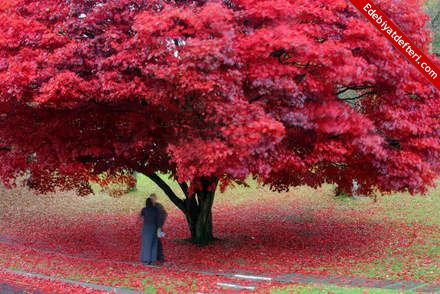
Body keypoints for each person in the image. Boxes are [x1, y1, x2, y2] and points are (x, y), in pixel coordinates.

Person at [140, 197, 159, 264]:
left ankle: (146, 259)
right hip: (154, 227)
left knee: (146, 244)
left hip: (147, 227)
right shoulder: (156, 210)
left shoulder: (144, 210)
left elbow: (140, 217)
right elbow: (158, 219)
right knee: (154, 243)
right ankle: (153, 260)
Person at [150, 193, 167, 263]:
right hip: (152, 227)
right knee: (152, 242)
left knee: (158, 243)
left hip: (157, 227)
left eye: (153, 198)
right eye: (151, 199)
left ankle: (160, 258)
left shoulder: (159, 206)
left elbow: (163, 215)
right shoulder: (150, 206)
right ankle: (155, 257)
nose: (152, 200)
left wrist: (159, 227)